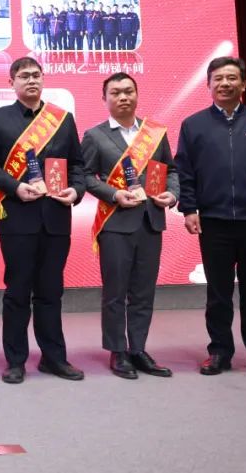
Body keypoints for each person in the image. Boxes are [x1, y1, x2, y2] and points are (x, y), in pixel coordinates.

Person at [175, 56, 246, 380]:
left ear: (244, 84)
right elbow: (185, 173)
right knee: (218, 293)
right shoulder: (193, 125)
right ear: (208, 85)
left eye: (231, 78)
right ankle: (219, 352)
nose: (225, 83)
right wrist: (189, 209)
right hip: (214, 222)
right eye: (218, 78)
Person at [0, 56, 86, 383]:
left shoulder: (62, 119)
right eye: (24, 76)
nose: (31, 80)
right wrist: (15, 187)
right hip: (17, 216)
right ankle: (15, 361)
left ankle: (54, 358)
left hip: (56, 217)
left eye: (36, 75)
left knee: (51, 291)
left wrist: (76, 191)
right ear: (11, 82)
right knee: (17, 291)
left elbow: (77, 165)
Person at [81, 73, 178, 379]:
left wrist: (172, 194)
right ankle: (117, 351)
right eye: (115, 93)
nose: (123, 97)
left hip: (151, 221)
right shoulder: (95, 136)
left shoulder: (155, 133)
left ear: (137, 94)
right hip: (114, 223)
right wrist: (113, 194)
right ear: (104, 99)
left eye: (128, 91)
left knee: (143, 292)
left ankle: (138, 348)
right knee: (115, 292)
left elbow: (172, 170)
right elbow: (85, 176)